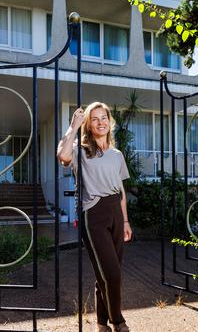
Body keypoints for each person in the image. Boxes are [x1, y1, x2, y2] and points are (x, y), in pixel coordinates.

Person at [56, 102, 133, 332]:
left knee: (107, 274)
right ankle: (118, 321)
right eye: (95, 119)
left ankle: (101, 324)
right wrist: (73, 127)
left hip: (116, 214)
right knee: (112, 273)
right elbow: (62, 155)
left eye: (104, 118)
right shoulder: (80, 150)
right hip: (94, 213)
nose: (100, 123)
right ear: (88, 124)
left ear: (110, 122)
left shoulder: (117, 155)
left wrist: (126, 220)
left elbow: (120, 191)